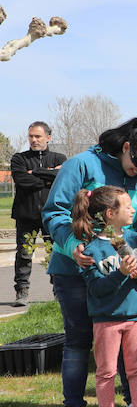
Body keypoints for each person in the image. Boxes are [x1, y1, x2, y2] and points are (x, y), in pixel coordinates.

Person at [43, 118, 137, 407]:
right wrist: (73, 247)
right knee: (79, 340)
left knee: (126, 341)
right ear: (127, 147)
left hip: (124, 278)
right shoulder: (82, 164)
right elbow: (54, 212)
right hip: (74, 271)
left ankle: (132, 406)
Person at [73, 186, 137, 407]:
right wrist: (119, 273)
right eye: (127, 206)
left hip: (136, 315)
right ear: (110, 213)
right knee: (106, 372)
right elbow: (96, 289)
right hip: (106, 319)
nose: (133, 210)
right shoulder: (91, 251)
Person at [10, 120, 65, 306]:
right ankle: (22, 292)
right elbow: (21, 180)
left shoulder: (59, 158)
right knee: (24, 254)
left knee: (55, 254)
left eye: (38, 136)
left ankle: (58, 291)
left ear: (48, 138)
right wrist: (48, 175)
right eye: (31, 136)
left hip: (52, 216)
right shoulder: (19, 158)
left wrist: (34, 172)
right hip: (26, 215)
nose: (33, 140)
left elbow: (61, 178)